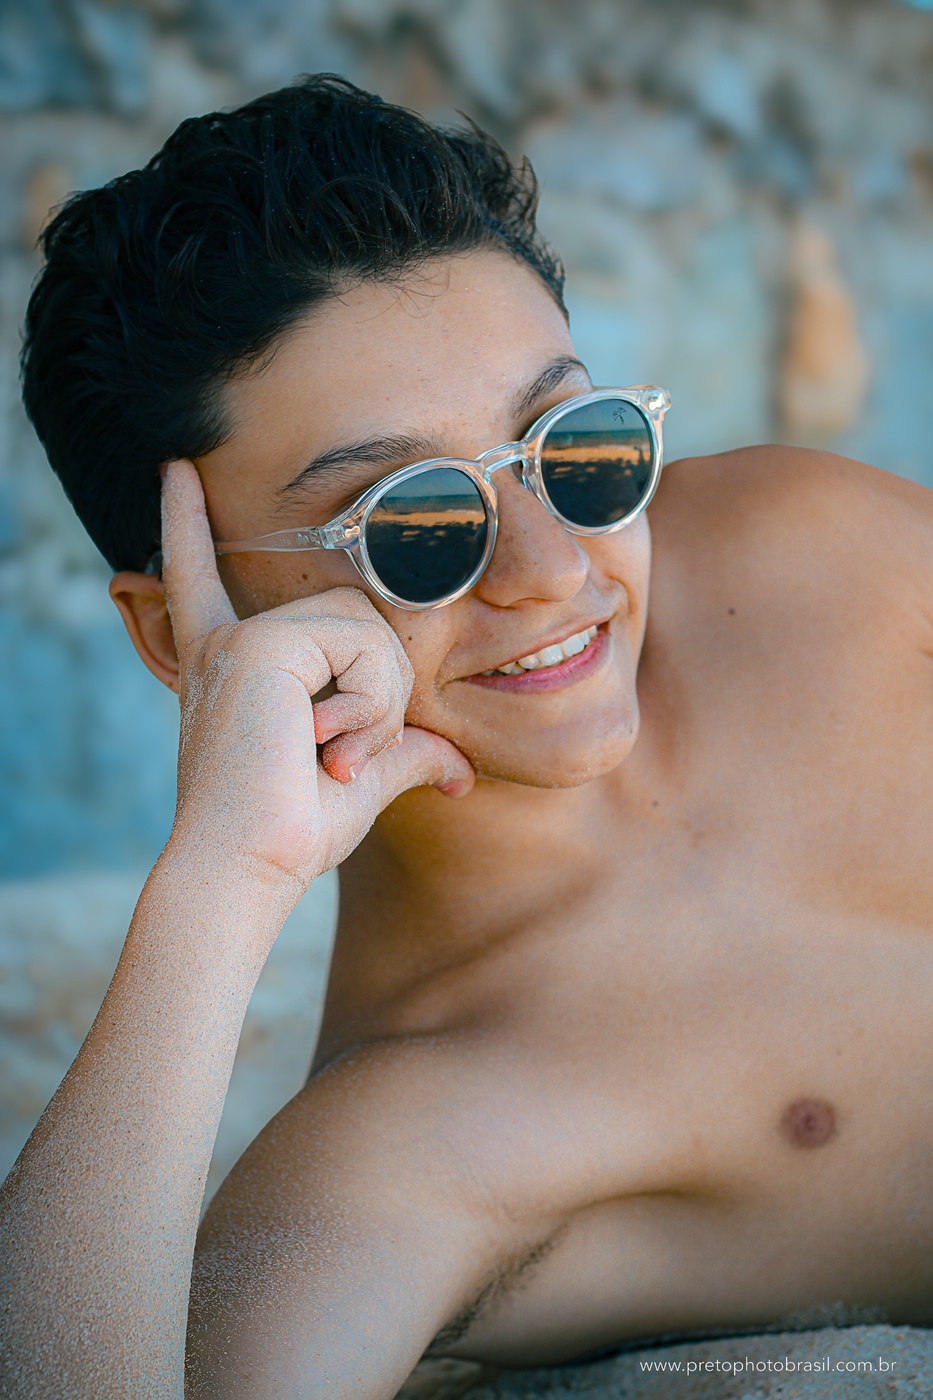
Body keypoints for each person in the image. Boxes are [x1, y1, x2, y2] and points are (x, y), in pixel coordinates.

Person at [2, 74, 932, 1400]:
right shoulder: (414, 1139)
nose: (553, 571)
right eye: (414, 525)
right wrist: (223, 879)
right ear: (178, 632)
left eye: (574, 446)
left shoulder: (799, 553)